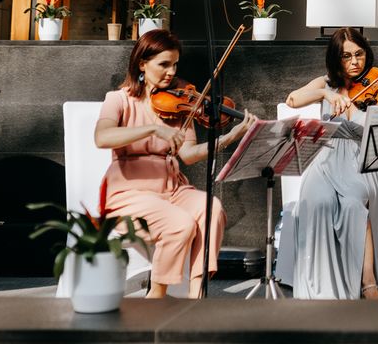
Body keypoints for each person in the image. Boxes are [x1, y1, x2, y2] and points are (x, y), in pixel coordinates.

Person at [94, 29, 256, 299]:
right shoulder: (118, 99)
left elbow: (189, 154)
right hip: (129, 193)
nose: (171, 72)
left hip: (172, 189)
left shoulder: (177, 103)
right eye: (164, 64)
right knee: (180, 223)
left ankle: (197, 294)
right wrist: (152, 129)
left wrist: (229, 138)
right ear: (142, 64)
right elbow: (102, 137)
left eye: (175, 64)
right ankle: (156, 297)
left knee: (211, 209)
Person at [282, 27, 378, 299]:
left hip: (361, 161)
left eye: (359, 54)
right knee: (318, 202)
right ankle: (325, 284)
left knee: (354, 203)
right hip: (325, 158)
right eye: (346, 56)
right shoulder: (325, 83)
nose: (355, 62)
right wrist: (325, 94)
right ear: (336, 58)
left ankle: (368, 282)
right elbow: (292, 99)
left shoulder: (377, 87)